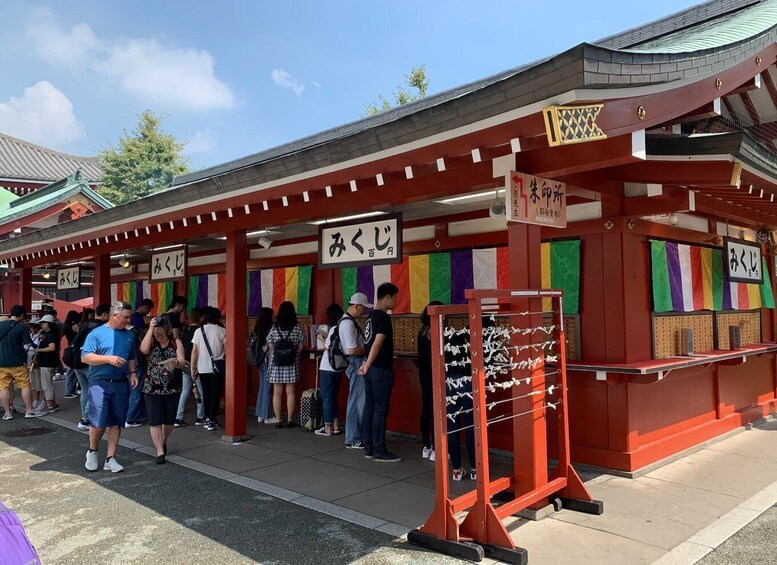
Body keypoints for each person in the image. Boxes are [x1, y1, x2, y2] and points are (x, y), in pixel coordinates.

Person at [81, 301, 138, 473]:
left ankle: (110, 458)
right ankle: (92, 451)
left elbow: (131, 356)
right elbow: (86, 357)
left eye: (129, 317)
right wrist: (108, 359)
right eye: (125, 317)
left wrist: (133, 372)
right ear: (114, 315)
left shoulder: (129, 335)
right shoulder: (96, 333)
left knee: (116, 421)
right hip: (99, 381)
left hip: (121, 382)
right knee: (98, 421)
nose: (127, 321)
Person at [358, 282, 401, 462]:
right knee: (380, 410)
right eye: (395, 298)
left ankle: (368, 448)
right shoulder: (383, 318)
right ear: (387, 297)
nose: (396, 302)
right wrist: (369, 363)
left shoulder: (370, 318)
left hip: (370, 369)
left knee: (370, 408)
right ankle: (379, 450)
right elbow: (378, 342)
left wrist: (367, 364)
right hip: (380, 369)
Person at [140, 316, 185, 464]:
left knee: (169, 421)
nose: (158, 336)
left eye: (161, 333)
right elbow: (143, 349)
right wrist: (150, 329)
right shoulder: (151, 343)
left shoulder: (175, 342)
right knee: (155, 420)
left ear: (167, 330)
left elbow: (182, 361)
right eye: (156, 333)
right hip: (152, 387)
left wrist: (175, 363)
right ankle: (160, 451)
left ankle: (163, 440)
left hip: (172, 387)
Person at [445, 316, 476, 481]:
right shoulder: (470, 342)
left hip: (450, 382)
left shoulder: (448, 342)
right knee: (471, 427)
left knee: (453, 427)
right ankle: (475, 468)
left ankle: (456, 469)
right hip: (467, 381)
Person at [267, 301, 305, 428]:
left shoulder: (274, 327)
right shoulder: (297, 327)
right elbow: (300, 346)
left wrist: (277, 354)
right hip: (291, 363)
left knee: (277, 392)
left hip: (277, 364)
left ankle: (278, 420)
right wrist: (294, 354)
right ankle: (289, 419)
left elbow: (270, 345)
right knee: (291, 392)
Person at [71, 304, 110, 430]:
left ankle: (84, 418)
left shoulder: (85, 324)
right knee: (94, 389)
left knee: (85, 389)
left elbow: (75, 342)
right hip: (90, 363)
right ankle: (87, 418)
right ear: (104, 314)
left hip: (77, 361)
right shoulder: (102, 328)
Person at [340, 293, 370, 449]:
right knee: (357, 402)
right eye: (363, 308)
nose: (364, 311)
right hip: (355, 362)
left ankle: (354, 436)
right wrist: (367, 350)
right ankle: (353, 437)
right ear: (356, 306)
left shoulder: (349, 321)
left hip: (354, 363)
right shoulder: (348, 324)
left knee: (357, 400)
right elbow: (352, 350)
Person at [0, 305, 41, 420]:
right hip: (18, 362)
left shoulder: (1, 325)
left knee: (4, 388)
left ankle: (7, 413)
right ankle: (29, 411)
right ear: (22, 315)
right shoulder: (22, 327)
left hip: (2, 362)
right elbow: (28, 345)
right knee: (24, 385)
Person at [190, 307, 226, 431]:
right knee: (216, 394)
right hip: (217, 367)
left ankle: (206, 418)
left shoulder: (198, 331)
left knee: (206, 393)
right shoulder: (222, 331)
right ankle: (212, 419)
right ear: (217, 318)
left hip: (202, 367)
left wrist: (192, 367)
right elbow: (227, 350)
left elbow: (194, 351)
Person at [418, 301, 443, 461]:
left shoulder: (422, 331)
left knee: (426, 409)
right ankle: (436, 448)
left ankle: (427, 446)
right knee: (436, 410)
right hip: (434, 374)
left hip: (423, 373)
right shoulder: (434, 331)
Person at [316, 303, 344, 437]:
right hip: (339, 368)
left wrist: (321, 339)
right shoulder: (344, 327)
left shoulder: (332, 329)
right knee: (334, 397)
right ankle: (336, 424)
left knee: (326, 397)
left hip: (327, 366)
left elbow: (328, 348)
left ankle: (327, 426)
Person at [176, 307, 205, 427]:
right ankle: (200, 416)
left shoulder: (186, 329)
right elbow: (197, 350)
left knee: (185, 390)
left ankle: (178, 417)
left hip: (185, 363)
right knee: (201, 391)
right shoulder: (199, 331)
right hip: (196, 364)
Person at [252, 307, 276, 424]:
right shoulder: (270, 329)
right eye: (273, 315)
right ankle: (267, 415)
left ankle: (260, 414)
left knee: (262, 386)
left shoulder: (256, 329)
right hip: (267, 360)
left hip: (259, 359)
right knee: (267, 387)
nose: (274, 317)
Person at [34, 314, 60, 413]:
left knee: (46, 385)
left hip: (47, 362)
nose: (41, 325)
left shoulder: (50, 335)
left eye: (43, 322)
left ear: (48, 323)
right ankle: (52, 404)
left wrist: (38, 350)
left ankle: (50, 405)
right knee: (47, 384)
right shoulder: (50, 334)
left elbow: (52, 347)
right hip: (48, 362)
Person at [63, 310, 81, 398]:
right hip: (75, 349)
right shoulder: (75, 326)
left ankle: (69, 391)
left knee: (70, 371)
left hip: (69, 347)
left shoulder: (66, 326)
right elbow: (79, 335)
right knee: (74, 371)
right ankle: (69, 391)